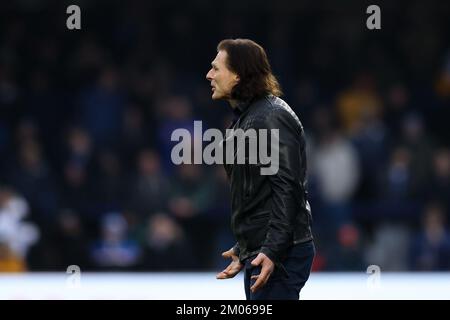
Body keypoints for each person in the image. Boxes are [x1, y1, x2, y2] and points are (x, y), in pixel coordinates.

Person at [206, 39, 315, 300]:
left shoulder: (270, 116)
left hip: (280, 254)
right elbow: (257, 195)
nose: (209, 74)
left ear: (238, 75)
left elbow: (287, 189)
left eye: (216, 68)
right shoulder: (246, 119)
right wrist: (245, 247)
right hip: (265, 251)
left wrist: (272, 250)